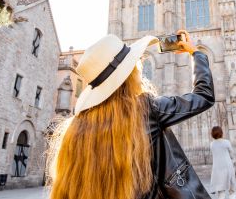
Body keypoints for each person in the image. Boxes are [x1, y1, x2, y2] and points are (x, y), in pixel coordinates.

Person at [48, 31, 215, 199]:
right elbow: (203, 96)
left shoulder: (75, 130)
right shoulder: (146, 109)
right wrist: (196, 52)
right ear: (129, 75)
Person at [209, 126, 236, 199]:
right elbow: (232, 155)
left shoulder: (212, 144)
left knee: (221, 190)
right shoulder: (226, 142)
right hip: (227, 167)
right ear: (221, 133)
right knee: (232, 189)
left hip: (217, 169)